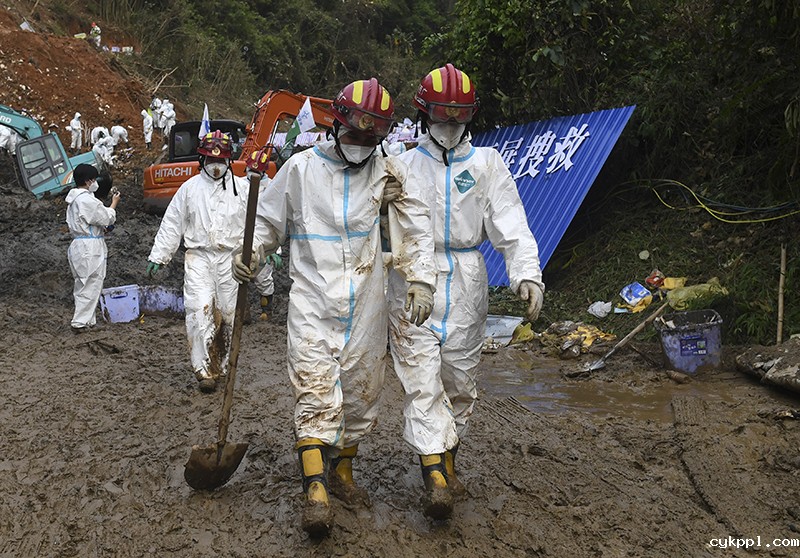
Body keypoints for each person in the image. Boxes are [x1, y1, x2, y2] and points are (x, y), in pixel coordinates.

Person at [232, 79, 436, 538]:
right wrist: (252, 253)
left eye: (371, 138)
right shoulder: (302, 170)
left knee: (363, 392)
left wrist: (422, 280)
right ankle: (315, 491)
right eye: (355, 134)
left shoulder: (388, 171)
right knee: (314, 389)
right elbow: (266, 222)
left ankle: (342, 473)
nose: (361, 146)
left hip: (367, 301)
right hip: (312, 300)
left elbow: (417, 225)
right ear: (336, 125)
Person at [387, 63, 545, 521]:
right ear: (424, 117)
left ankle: (445, 460)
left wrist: (526, 273)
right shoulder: (400, 165)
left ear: (469, 119)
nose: (449, 127)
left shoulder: (487, 165)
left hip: (468, 278)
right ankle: (434, 476)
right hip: (411, 280)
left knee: (458, 381)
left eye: (457, 119)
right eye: (441, 118)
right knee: (421, 379)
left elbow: (510, 223)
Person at [146, 130, 254, 393]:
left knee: (229, 313)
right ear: (202, 160)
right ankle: (204, 369)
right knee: (199, 309)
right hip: (198, 257)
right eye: (211, 160)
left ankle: (224, 366)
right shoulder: (189, 189)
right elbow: (173, 223)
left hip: (231, 258)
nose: (216, 167)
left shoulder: (243, 188)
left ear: (229, 161)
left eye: (221, 161)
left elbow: (258, 220)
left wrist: (267, 249)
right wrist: (160, 255)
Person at [65, 163, 121, 333]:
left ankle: (88, 320)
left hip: (78, 244)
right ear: (89, 181)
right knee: (91, 282)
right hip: (89, 246)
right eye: (94, 179)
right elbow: (106, 218)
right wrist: (114, 204)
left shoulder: (73, 200)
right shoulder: (87, 200)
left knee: (82, 284)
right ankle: (80, 322)